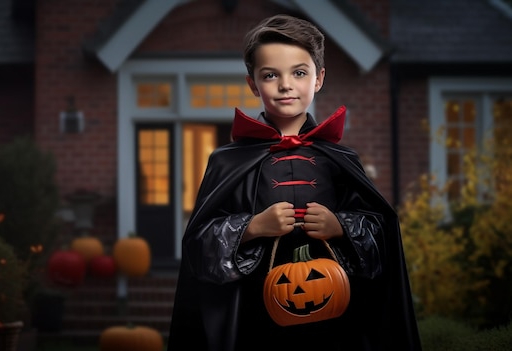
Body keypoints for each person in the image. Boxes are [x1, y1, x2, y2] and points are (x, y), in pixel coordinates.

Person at [167, 14, 421, 351]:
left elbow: (382, 235)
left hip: (337, 315)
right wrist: (252, 227)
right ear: (253, 84)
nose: (285, 85)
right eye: (270, 75)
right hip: (255, 318)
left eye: (299, 73)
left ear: (319, 79)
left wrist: (341, 226)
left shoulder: (341, 160)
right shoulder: (227, 161)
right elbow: (199, 244)